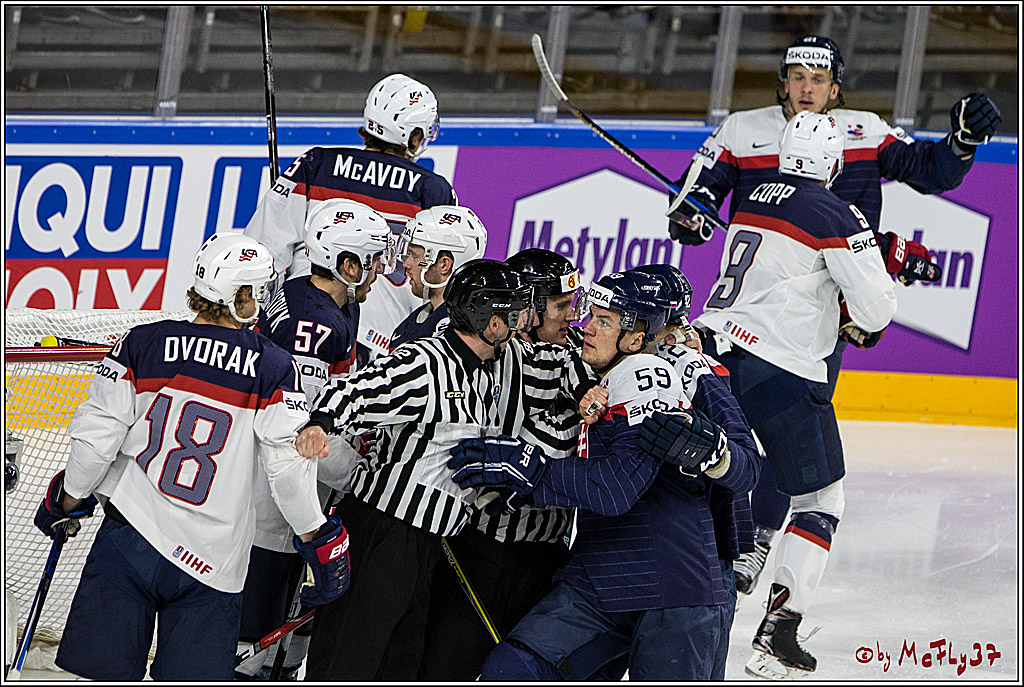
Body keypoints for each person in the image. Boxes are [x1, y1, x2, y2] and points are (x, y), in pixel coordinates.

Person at [667, 34, 1002, 599]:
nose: (806, 87)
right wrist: (692, 215)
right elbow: (692, 200)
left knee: (776, 435)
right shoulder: (743, 130)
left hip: (821, 313)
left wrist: (961, 142)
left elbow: (929, 169)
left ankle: (756, 538)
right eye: (797, 76)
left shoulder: (865, 130)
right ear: (784, 81)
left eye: (817, 79)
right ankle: (728, 538)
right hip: (767, 308)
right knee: (752, 432)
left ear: (835, 87)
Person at [32, 233, 349, 681]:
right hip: (212, 563)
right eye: (262, 290)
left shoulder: (140, 342)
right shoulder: (275, 367)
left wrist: (68, 497)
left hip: (130, 539)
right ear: (245, 297)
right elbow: (289, 473)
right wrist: (318, 539)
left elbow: (95, 440)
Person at [449, 270, 760, 680]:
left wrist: (715, 455)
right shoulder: (600, 361)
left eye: (603, 320)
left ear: (638, 333)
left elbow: (746, 468)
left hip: (680, 584)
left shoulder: (688, 371)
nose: (586, 328)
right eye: (589, 315)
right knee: (513, 670)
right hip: (601, 572)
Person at [295, 259, 596, 681]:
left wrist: (586, 388)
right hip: (385, 533)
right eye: (512, 313)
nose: (520, 322)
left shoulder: (495, 362)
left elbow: (557, 363)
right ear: (490, 322)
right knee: (349, 663)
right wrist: (321, 422)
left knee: (401, 665)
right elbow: (358, 388)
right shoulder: (428, 362)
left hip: (429, 545)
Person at [691, 112, 897, 678]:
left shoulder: (755, 196)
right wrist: (876, 274)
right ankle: (779, 631)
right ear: (834, 162)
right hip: (778, 369)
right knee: (821, 500)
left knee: (715, 480)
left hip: (715, 355)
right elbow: (877, 310)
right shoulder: (836, 211)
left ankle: (694, 601)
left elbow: (790, 272)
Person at [235, 201, 392, 680]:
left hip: (279, 496)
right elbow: (298, 436)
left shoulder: (313, 294)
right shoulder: (314, 324)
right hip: (274, 502)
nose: (383, 268)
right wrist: (360, 472)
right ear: (347, 264)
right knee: (253, 641)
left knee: (276, 631)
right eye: (376, 258)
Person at [416, 248, 587, 680]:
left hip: (547, 550)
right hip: (483, 546)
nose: (572, 317)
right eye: (562, 305)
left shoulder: (569, 354)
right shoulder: (491, 353)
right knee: (448, 667)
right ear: (527, 308)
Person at [243, 73, 457, 364]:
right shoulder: (434, 190)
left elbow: (261, 252)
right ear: (414, 136)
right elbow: (444, 280)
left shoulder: (316, 164)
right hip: (387, 350)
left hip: (301, 332)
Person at [387, 204, 488, 350]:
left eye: (414, 256)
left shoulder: (461, 333)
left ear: (444, 265)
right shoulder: (413, 323)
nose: (407, 264)